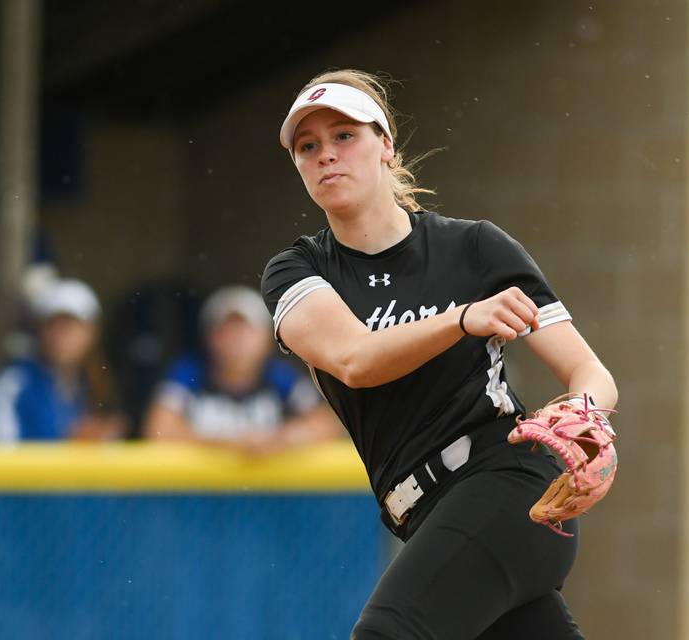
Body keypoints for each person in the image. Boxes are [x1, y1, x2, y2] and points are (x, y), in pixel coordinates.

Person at [261, 70, 619, 639]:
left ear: (386, 145)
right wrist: (459, 319)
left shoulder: (473, 247)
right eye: (309, 146)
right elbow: (355, 359)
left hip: (509, 485)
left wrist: (584, 413)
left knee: (388, 634)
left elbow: (589, 372)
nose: (327, 154)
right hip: (427, 516)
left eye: (345, 135)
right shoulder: (298, 271)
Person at [143, 285, 340, 455]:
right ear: (210, 337)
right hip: (202, 494)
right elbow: (159, 430)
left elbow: (328, 426)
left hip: (266, 495)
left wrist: (282, 439)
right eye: (226, 331)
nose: (237, 341)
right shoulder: (188, 373)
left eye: (246, 331)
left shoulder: (280, 375)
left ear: (266, 338)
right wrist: (230, 445)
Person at [0, 278, 127, 442]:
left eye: (70, 326)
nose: (59, 335)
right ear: (41, 331)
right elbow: (4, 451)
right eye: (52, 325)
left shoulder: (96, 382)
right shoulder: (16, 382)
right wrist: (72, 441)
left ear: (92, 332)